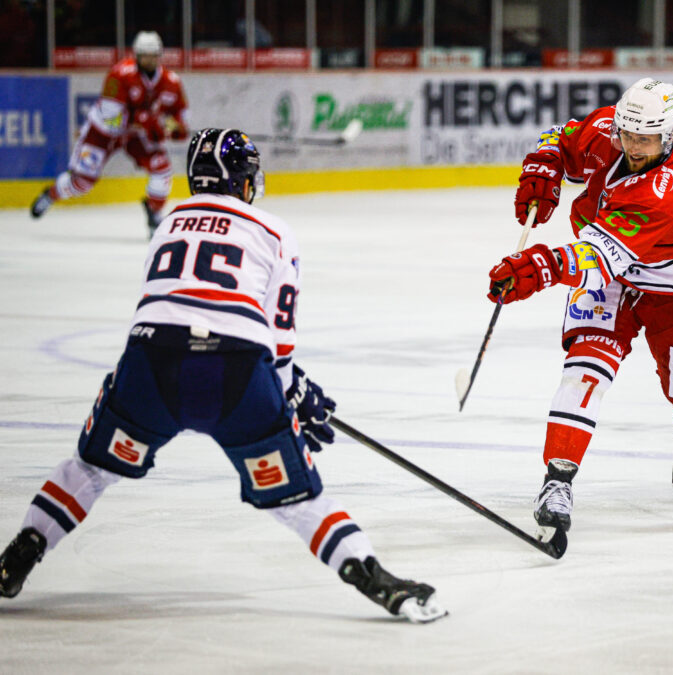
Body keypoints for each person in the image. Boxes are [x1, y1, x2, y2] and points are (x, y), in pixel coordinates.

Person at [2, 128, 447, 624]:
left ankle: (23, 549)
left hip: (151, 363)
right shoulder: (274, 230)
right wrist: (289, 393)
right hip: (235, 374)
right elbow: (278, 340)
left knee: (89, 469)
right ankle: (373, 577)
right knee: (298, 498)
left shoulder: (167, 221)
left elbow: (169, 302)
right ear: (243, 180)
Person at [491, 77, 673, 540]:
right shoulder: (611, 128)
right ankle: (557, 482)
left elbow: (594, 258)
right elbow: (560, 134)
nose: (633, 146)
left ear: (669, 135)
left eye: (646, 139)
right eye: (628, 135)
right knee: (585, 369)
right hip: (613, 282)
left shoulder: (670, 185)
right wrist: (544, 167)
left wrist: (539, 269)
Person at [30, 31, 190, 236]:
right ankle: (52, 194)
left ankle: (154, 215)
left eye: (153, 55)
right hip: (103, 133)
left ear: (159, 55)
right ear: (136, 55)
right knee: (82, 183)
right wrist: (147, 122)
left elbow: (181, 116)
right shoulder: (120, 74)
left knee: (162, 170)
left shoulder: (172, 81)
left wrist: (175, 128)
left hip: (136, 136)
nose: (149, 59)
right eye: (144, 55)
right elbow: (110, 119)